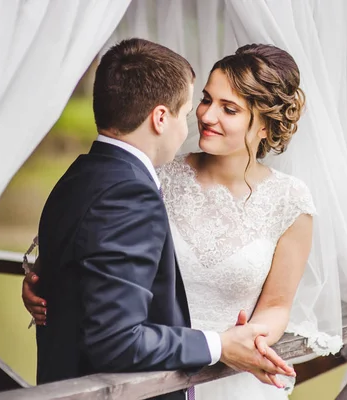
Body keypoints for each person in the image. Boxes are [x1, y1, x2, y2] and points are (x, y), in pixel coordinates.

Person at [28, 38, 295, 400]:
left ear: (264, 125)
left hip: (224, 376)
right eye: (199, 102)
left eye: (228, 109)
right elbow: (116, 335)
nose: (203, 117)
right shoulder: (142, 187)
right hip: (147, 381)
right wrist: (40, 283)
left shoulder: (80, 173)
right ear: (159, 117)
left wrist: (248, 342)